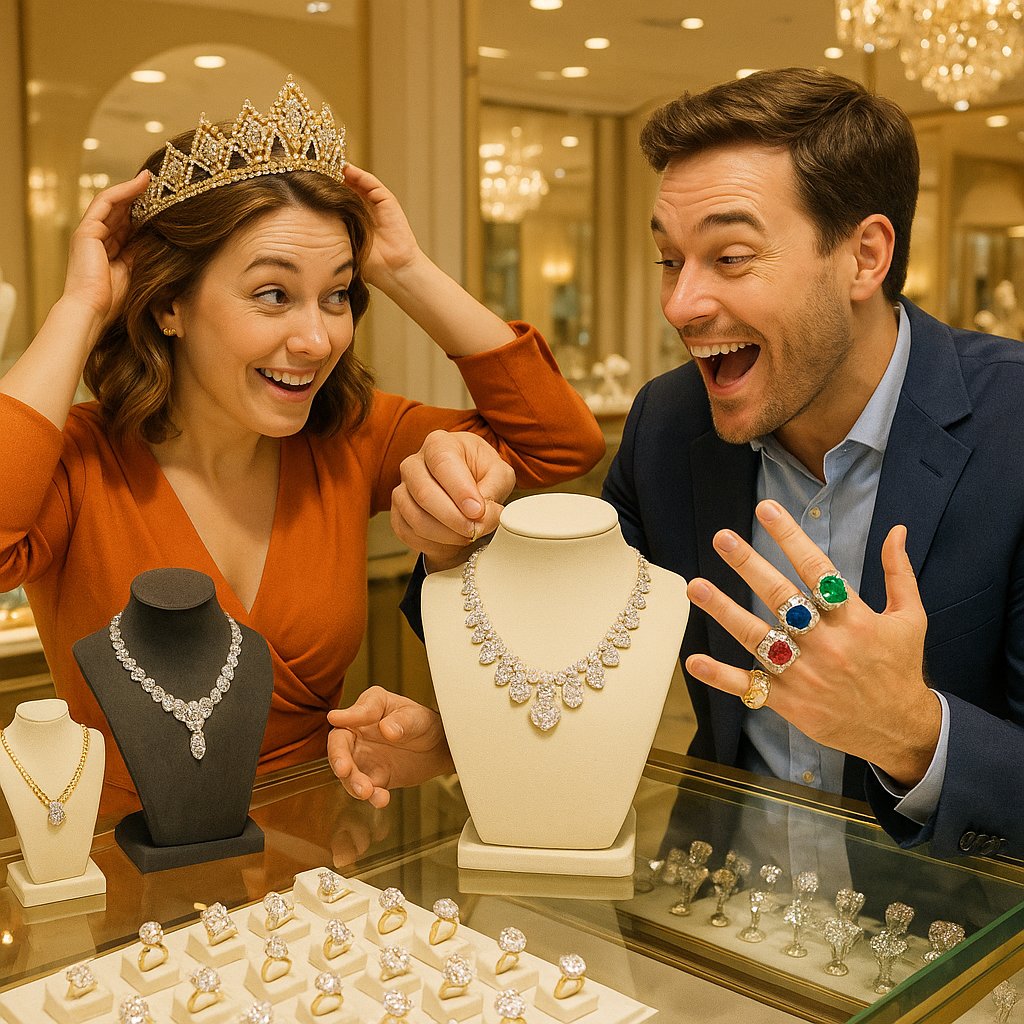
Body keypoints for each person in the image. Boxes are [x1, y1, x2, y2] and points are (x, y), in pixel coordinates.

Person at [340, 67, 1024, 861]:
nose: (681, 304)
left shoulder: (1012, 428)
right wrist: (451, 546)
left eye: (730, 257)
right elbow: (562, 634)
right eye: (671, 260)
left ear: (864, 257)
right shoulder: (670, 423)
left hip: (952, 946)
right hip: (711, 914)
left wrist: (912, 735)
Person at [0, 79, 604, 807]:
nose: (317, 339)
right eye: (273, 295)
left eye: (338, 294)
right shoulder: (79, 464)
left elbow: (559, 442)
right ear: (169, 306)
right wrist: (82, 306)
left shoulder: (349, 437)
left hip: (320, 854)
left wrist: (403, 269)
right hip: (128, 880)